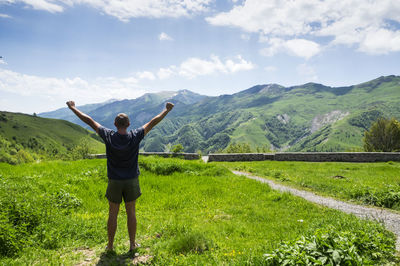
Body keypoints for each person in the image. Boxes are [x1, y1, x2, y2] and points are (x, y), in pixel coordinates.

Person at [66, 100, 174, 252]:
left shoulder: (108, 135)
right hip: (131, 180)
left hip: (114, 181)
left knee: (113, 214)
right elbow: (152, 122)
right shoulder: (135, 135)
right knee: (131, 212)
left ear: (115, 124)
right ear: (129, 124)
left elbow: (89, 120)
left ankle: (110, 246)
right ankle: (132, 245)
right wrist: (166, 110)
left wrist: (72, 108)